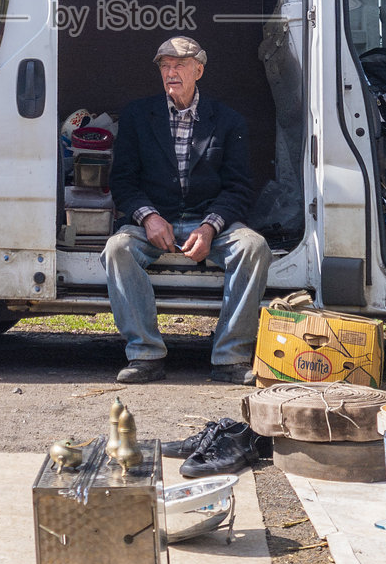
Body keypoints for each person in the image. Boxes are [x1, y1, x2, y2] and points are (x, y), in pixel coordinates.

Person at [103, 36, 271, 385]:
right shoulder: (137, 115)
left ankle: (230, 356)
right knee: (117, 249)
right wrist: (148, 217)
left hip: (209, 218)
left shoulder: (228, 121)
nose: (171, 72)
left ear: (199, 70)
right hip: (155, 219)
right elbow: (122, 182)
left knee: (253, 247)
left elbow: (239, 188)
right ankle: (144, 354)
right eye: (165, 66)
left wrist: (210, 227)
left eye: (179, 65)